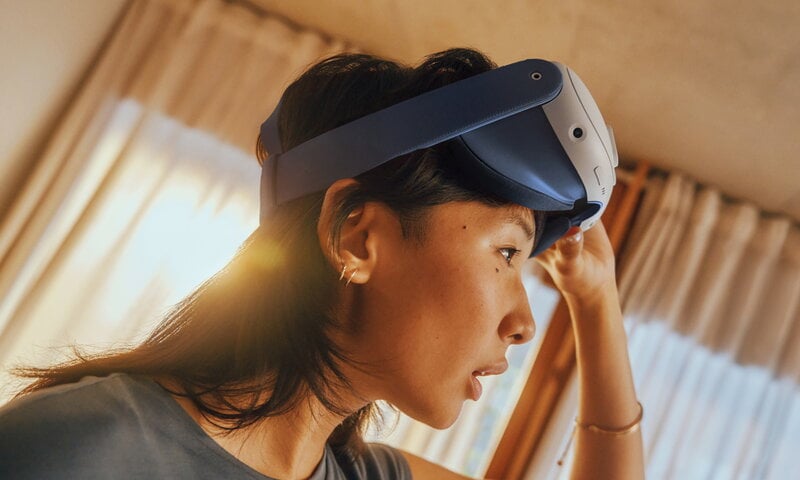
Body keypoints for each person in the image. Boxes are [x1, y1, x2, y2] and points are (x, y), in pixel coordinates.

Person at [0, 48, 643, 479]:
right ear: (357, 238)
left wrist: (596, 300)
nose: (524, 324)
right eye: (506, 253)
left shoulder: (365, 473)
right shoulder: (80, 449)